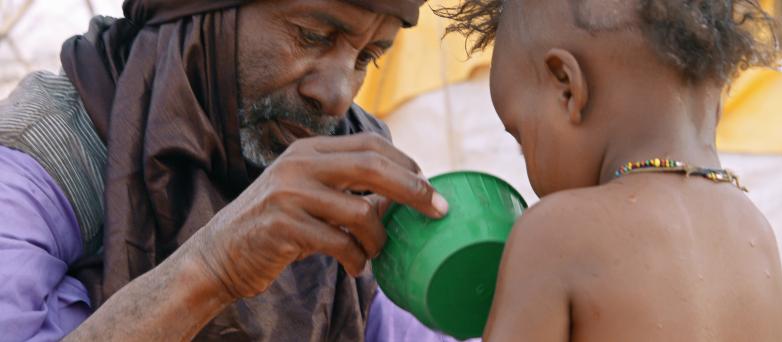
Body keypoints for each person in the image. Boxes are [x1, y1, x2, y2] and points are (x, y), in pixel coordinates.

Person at [0, 0, 459, 340]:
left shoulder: (348, 173)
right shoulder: (44, 152)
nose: (339, 96)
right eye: (312, 36)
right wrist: (215, 267)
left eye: (366, 58)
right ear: (206, 13)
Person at [437, 0, 782, 340]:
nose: (525, 161)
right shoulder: (757, 231)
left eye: (520, 137)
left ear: (566, 87)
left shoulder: (555, 234)